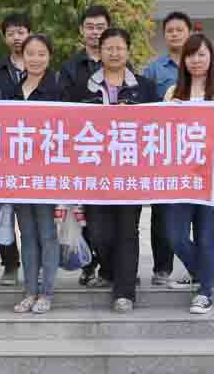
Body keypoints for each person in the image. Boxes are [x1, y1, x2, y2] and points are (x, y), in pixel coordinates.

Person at [75, 27, 159, 313]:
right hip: (94, 172)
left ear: (128, 51)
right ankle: (110, 270)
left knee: (127, 230)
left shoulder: (145, 87)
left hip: (130, 172)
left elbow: (157, 125)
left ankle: (125, 291)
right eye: (108, 48)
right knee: (99, 232)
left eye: (119, 48)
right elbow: (70, 123)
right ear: (99, 52)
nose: (114, 53)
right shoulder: (84, 86)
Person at [163, 33, 214, 315]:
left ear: (211, 57)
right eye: (190, 55)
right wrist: (169, 114)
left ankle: (205, 292)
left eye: (201, 54)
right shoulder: (173, 93)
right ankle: (203, 272)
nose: (196, 60)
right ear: (183, 60)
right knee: (175, 235)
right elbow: (162, 135)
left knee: (207, 235)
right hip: (181, 174)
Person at [4, 34, 63, 315]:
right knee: (26, 234)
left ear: (49, 57)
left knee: (47, 234)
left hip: (48, 173)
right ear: (22, 57)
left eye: (41, 54)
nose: (36, 59)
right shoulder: (12, 91)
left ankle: (46, 293)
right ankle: (29, 291)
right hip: (19, 174)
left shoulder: (59, 88)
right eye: (30, 53)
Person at [141, 10, 193, 286]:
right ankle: (162, 268)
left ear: (189, 33)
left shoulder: (200, 66)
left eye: (179, 30)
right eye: (170, 31)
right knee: (161, 213)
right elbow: (145, 108)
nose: (174, 34)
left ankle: (198, 266)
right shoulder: (153, 70)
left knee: (196, 213)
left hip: (193, 151)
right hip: (161, 151)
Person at [59, 5, 110, 285]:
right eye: (90, 27)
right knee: (85, 212)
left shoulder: (119, 63)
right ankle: (88, 265)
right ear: (81, 30)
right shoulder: (69, 68)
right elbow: (64, 106)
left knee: (110, 215)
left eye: (100, 27)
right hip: (81, 149)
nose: (95, 32)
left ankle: (112, 267)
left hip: (112, 152)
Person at [0, 12, 30, 287]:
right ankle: (10, 264)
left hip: (34, 149)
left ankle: (35, 262)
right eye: (11, 33)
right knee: (4, 211)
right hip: (2, 148)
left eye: (21, 32)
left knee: (32, 211)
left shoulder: (40, 63)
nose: (16, 37)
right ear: (4, 38)